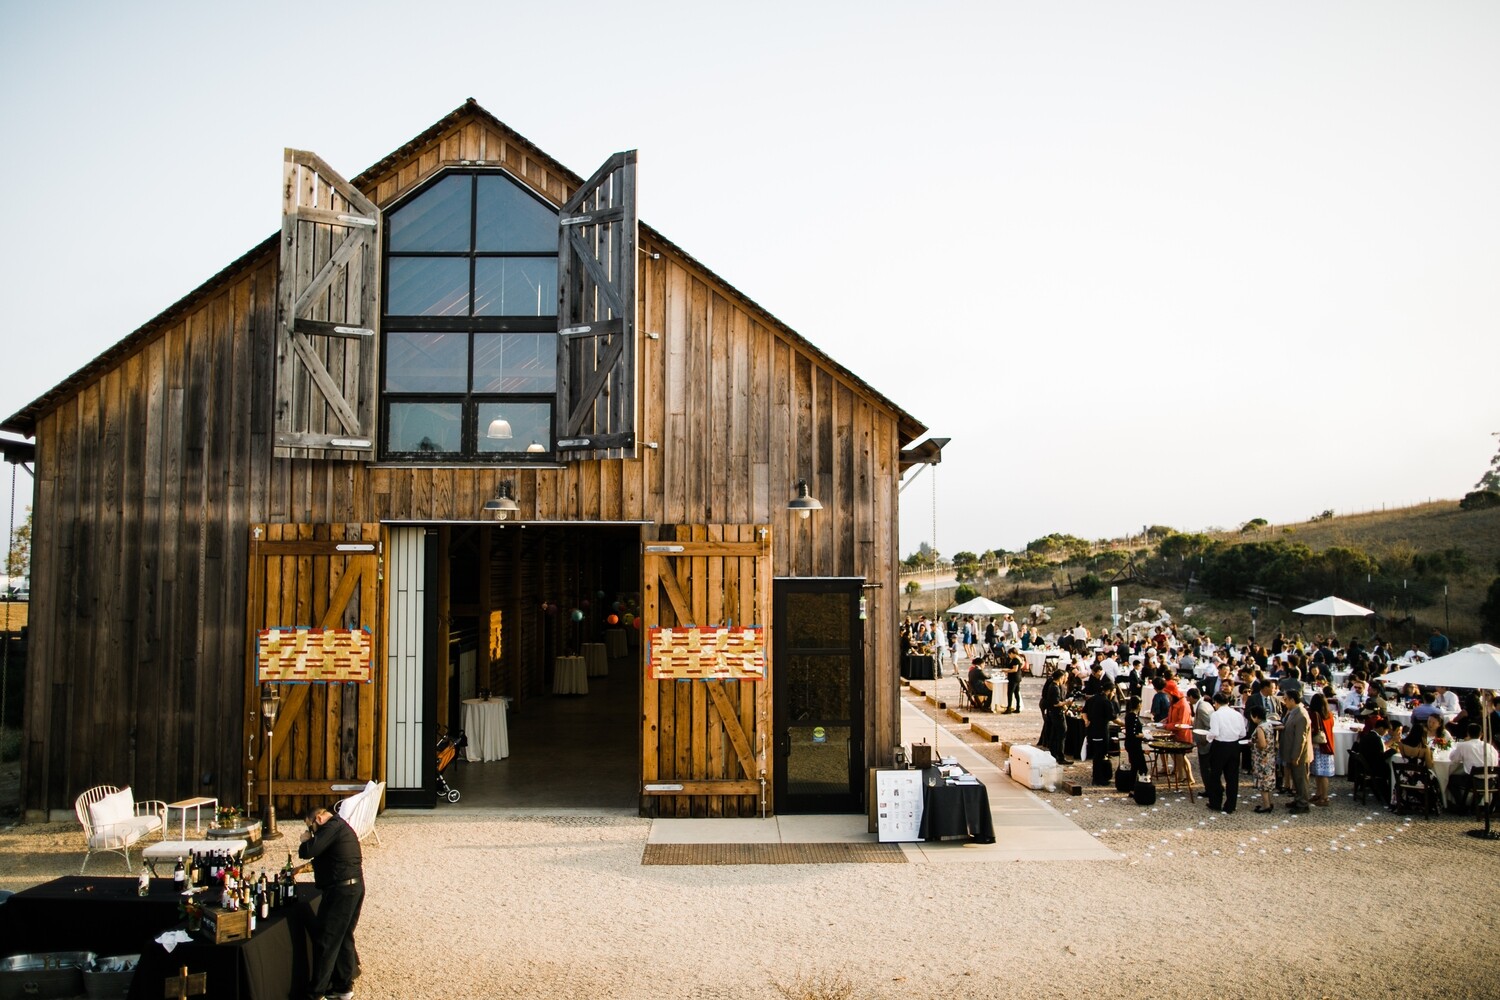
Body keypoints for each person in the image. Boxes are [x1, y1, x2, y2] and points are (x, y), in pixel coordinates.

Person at [299, 803, 365, 1000]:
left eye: (310, 827)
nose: (310, 831)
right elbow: (328, 856)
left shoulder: (331, 826)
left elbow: (310, 850)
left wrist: (306, 840)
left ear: (318, 819)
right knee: (343, 936)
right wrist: (301, 869)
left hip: (341, 890)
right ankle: (343, 987)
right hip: (354, 887)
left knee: (326, 940)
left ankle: (316, 992)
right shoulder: (339, 827)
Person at [1205, 689, 1248, 814]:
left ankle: (1215, 802)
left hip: (1220, 746)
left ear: (1216, 703)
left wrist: (1208, 737)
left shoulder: (1216, 715)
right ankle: (1231, 805)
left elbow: (1214, 732)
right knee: (1232, 777)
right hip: (1234, 746)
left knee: (1215, 775)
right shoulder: (1237, 714)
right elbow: (1242, 733)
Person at [1448, 722, 1500, 809]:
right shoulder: (1489, 746)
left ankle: (1461, 804)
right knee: (1474, 777)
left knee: (1451, 779)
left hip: (1474, 781)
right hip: (1491, 781)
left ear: (1468, 733)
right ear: (1481, 734)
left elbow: (1453, 758)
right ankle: (1474, 805)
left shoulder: (1464, 745)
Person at [1280, 690, 1312, 813]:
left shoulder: (1301, 715)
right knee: (1296, 779)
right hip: (1292, 752)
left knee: (1301, 780)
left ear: (1292, 700)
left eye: (1286, 699)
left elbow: (1300, 739)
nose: (1284, 702)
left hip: (1300, 755)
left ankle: (1303, 803)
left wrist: (1296, 756)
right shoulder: (1293, 712)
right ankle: (1298, 799)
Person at [1248, 701, 1276, 813]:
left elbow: (1262, 744)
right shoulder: (1268, 724)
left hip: (1262, 758)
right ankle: (1269, 802)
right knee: (1267, 782)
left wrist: (1253, 743)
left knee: (1263, 782)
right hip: (1269, 757)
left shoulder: (1260, 728)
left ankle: (1266, 805)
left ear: (1255, 716)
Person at [1309, 693, 1336, 806]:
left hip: (1319, 746)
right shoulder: (1329, 715)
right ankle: (1319, 794)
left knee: (1321, 774)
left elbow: (1313, 730)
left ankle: (1324, 796)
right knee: (1321, 773)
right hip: (1328, 745)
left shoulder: (1315, 714)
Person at [1039, 668, 1069, 764]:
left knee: (1056, 733)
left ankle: (1054, 753)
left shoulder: (1053, 686)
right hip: (1056, 714)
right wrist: (1066, 703)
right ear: (1060, 678)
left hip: (1054, 713)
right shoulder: (1054, 687)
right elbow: (1055, 703)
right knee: (1061, 733)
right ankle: (1060, 755)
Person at [1123, 695, 1148, 777]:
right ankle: (1139, 785)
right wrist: (1143, 735)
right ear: (1138, 705)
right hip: (1134, 745)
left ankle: (1132, 785)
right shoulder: (1133, 716)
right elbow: (1133, 733)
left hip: (1131, 744)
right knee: (1142, 767)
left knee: (1135, 766)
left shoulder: (1129, 715)